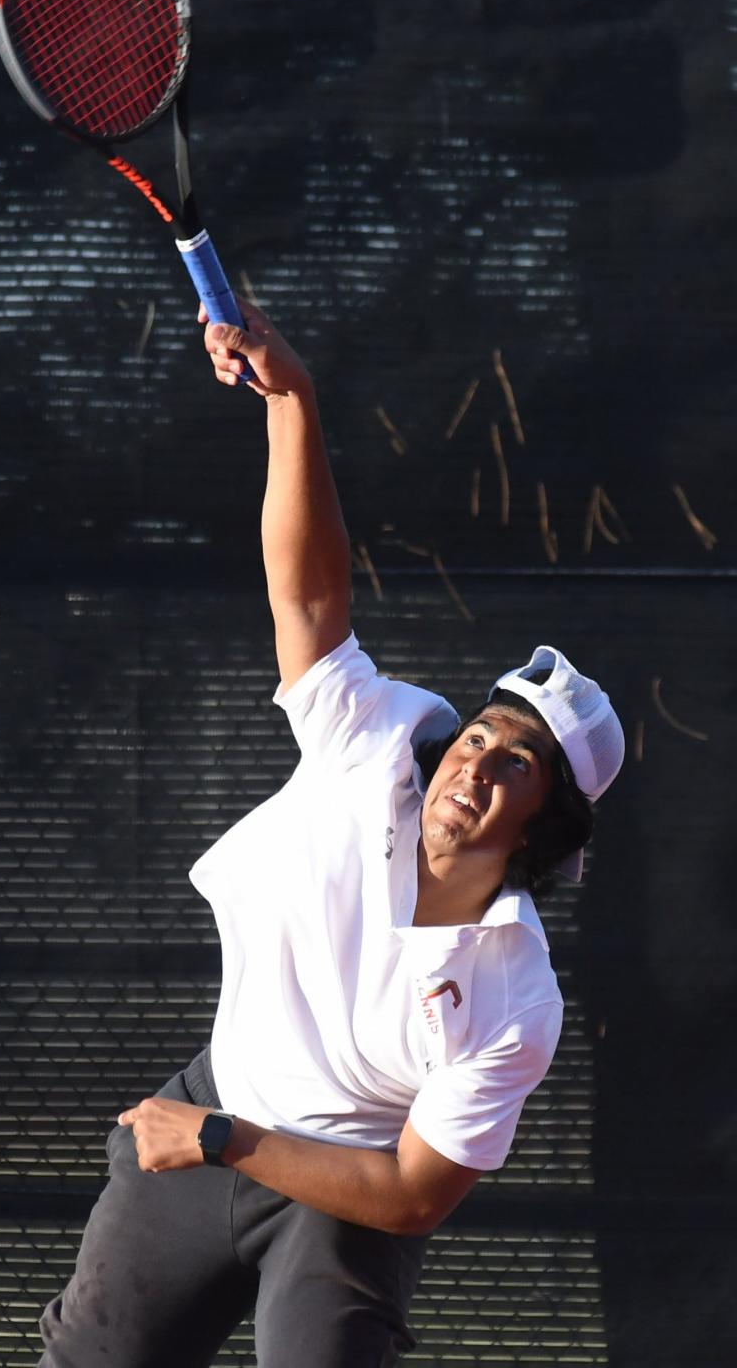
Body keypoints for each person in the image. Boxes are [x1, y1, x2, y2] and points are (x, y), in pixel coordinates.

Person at [37, 301, 624, 1368]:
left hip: (341, 1195)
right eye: (482, 731)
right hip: (215, 1115)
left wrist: (222, 1139)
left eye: (517, 763)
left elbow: (408, 1193)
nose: (476, 763)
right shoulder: (377, 744)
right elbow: (308, 592)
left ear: (545, 821)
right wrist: (294, 399)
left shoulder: (517, 999)